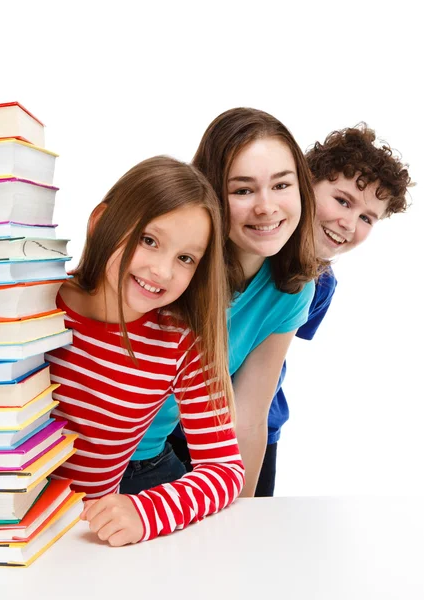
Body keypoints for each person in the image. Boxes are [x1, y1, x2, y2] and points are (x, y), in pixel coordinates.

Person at [44, 155, 244, 546]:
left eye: (185, 258)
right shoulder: (36, 301)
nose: (163, 271)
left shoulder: (180, 340)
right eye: (149, 240)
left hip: (82, 543)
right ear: (102, 222)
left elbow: (223, 468)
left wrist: (145, 511)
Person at [121, 108, 321, 497]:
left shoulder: (293, 290)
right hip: (85, 455)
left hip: (151, 457)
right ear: (211, 193)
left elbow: (247, 416)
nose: (266, 207)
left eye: (281, 185)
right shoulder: (174, 268)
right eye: (243, 190)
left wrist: (239, 519)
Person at [253, 123, 412, 496]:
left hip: (261, 424)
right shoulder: (252, 244)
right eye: (342, 201)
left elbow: (272, 357)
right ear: (305, 185)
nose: (348, 223)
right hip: (181, 422)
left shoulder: (322, 285)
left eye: (367, 218)